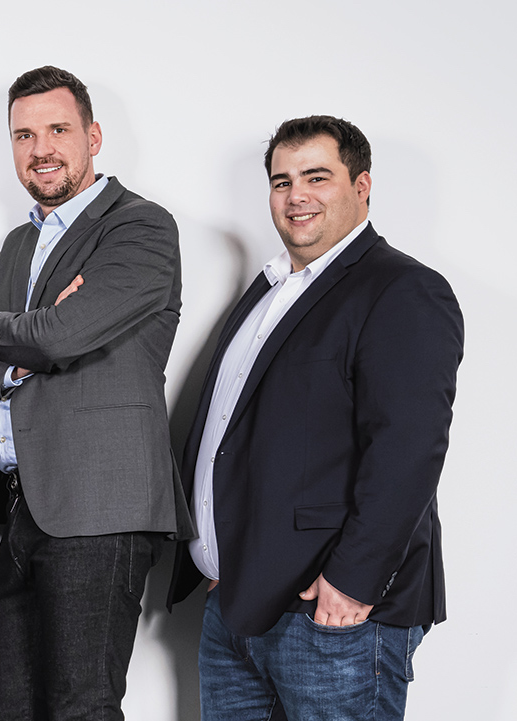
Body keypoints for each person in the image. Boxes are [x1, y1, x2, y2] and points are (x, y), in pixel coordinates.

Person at [166, 116, 463, 719]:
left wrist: (353, 582)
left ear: (362, 185)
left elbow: (408, 450)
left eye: (316, 177)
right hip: (239, 601)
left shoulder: (402, 289)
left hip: (333, 614)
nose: (296, 195)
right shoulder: (271, 288)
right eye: (282, 181)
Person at [0, 65, 190, 719]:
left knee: (81, 706)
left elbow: (61, 336)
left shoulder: (140, 227)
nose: (40, 148)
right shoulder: (19, 243)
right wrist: (16, 348)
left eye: (57, 130)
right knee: (11, 708)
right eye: (24, 135)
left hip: (100, 508)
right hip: (22, 506)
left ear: (93, 136)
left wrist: (6, 329)